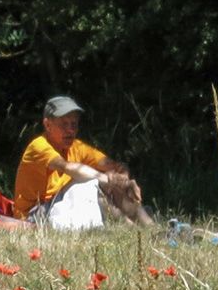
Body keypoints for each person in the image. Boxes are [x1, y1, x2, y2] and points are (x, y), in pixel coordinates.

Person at [10, 96, 152, 229]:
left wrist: (124, 179)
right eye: (64, 124)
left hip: (61, 205)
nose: (70, 130)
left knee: (111, 184)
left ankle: (151, 228)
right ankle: (132, 229)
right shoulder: (38, 146)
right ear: (47, 125)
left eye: (74, 124)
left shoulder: (76, 147)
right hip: (32, 216)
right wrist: (107, 180)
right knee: (92, 185)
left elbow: (115, 165)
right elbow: (69, 168)